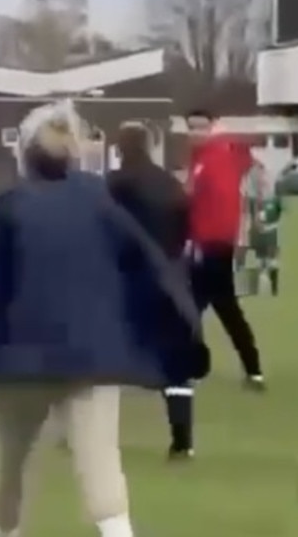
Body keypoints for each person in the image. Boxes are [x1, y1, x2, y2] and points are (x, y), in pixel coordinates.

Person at [0, 102, 207, 537]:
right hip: (92, 354)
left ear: (24, 153)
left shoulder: (2, 208)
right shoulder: (101, 206)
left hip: (19, 360)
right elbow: (149, 268)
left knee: (11, 465)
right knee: (101, 463)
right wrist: (177, 332)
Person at [106, 122, 198, 459]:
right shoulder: (172, 185)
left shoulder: (114, 186)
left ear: (120, 148)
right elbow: (187, 230)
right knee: (175, 366)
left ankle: (91, 436)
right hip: (170, 280)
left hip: (127, 280)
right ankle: (182, 441)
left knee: (103, 360)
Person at [184, 107, 266, 390]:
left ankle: (194, 367)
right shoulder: (203, 158)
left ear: (212, 127)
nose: (196, 133)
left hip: (212, 246)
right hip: (207, 245)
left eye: (201, 127)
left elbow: (218, 202)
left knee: (203, 307)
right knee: (212, 307)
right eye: (191, 127)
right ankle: (251, 369)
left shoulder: (216, 157)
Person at [239, 160, 282, 296]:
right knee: (258, 260)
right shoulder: (250, 197)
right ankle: (255, 289)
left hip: (268, 232)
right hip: (257, 232)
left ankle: (273, 289)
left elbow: (278, 212)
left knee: (271, 260)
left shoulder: (271, 196)